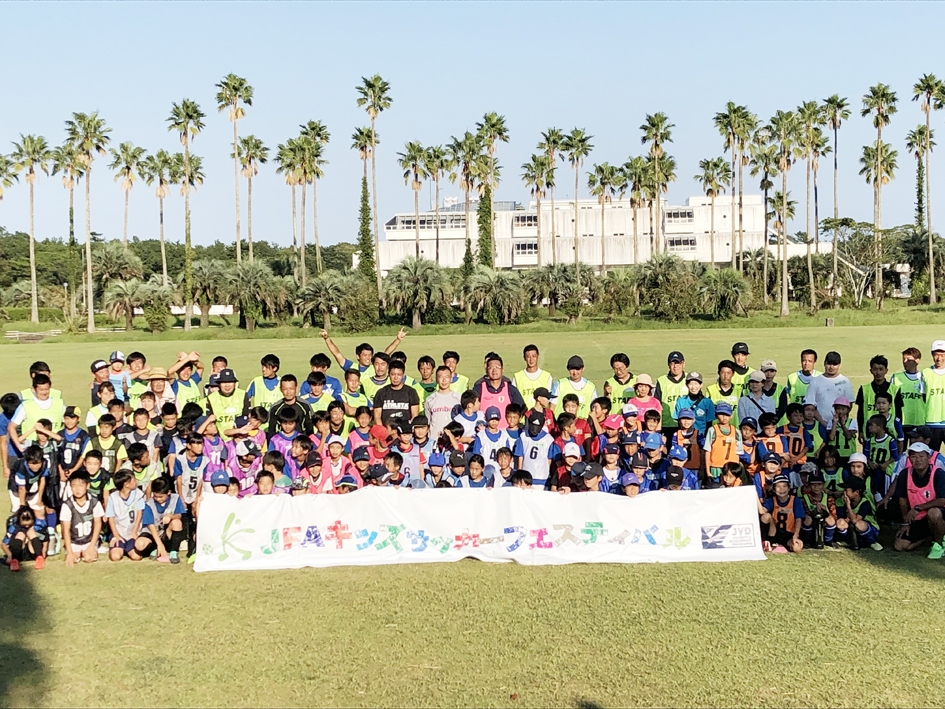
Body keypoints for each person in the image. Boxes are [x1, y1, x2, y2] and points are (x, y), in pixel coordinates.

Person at [893, 441, 945, 557]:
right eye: (913, 456)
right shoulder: (905, 474)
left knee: (934, 513)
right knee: (900, 546)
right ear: (909, 459)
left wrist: (918, 508)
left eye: (921, 456)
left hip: (938, 513)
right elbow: (902, 499)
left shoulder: (939, 474)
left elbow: (942, 500)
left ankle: (939, 545)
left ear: (929, 458)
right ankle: (930, 536)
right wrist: (905, 523)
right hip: (919, 517)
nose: (918, 459)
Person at [7, 373, 66, 451]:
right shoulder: (25, 406)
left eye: (47, 389)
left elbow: (68, 424)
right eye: (41, 390)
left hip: (55, 448)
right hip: (33, 449)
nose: (44, 392)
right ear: (34, 389)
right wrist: (20, 447)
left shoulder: (59, 404)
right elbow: (11, 427)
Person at [137, 476, 186, 563]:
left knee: (177, 523)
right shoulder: (148, 504)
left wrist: (171, 516)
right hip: (153, 533)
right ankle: (154, 548)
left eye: (161, 497)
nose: (158, 499)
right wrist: (160, 545)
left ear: (168, 492)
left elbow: (179, 515)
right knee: (139, 545)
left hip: (166, 533)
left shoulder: (176, 498)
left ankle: (173, 552)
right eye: (155, 496)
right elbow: (150, 525)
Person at [60, 470, 105, 566]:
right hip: (74, 541)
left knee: (89, 558)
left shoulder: (94, 502)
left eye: (80, 486)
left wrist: (92, 546)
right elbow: (66, 529)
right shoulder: (67, 505)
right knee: (74, 559)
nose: (77, 489)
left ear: (87, 486)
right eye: (74, 485)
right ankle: (74, 551)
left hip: (89, 540)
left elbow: (98, 523)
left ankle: (94, 546)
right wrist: (69, 551)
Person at [804, 351, 855, 429]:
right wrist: (823, 422)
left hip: (839, 425)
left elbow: (849, 404)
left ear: (839, 365)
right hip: (819, 425)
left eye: (834, 364)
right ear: (824, 363)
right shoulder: (815, 381)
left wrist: (839, 421)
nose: (831, 367)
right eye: (829, 364)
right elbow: (811, 404)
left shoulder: (845, 381)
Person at [472, 355, 525, 429]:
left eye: (497, 367)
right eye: (491, 367)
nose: (494, 370)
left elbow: (522, 408)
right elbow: (470, 409)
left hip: (506, 434)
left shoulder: (510, 389)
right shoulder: (479, 388)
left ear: (502, 370)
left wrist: (514, 425)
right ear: (487, 370)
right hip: (485, 434)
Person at [105, 470, 145, 562]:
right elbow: (111, 518)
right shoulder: (113, 497)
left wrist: (134, 532)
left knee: (136, 556)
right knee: (115, 557)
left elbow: (139, 513)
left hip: (133, 532)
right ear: (126, 484)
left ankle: (129, 548)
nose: (136, 481)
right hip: (119, 532)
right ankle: (121, 547)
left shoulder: (138, 494)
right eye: (134, 480)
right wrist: (116, 535)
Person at [514, 411, 559, 489]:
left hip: (542, 478)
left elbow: (549, 460)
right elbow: (520, 457)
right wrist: (520, 475)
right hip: (526, 479)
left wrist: (546, 473)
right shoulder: (523, 437)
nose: (534, 430)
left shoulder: (548, 439)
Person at [760, 473, 805, 553]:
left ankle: (779, 545)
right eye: (778, 486)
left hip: (789, 533)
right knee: (766, 516)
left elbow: (798, 519)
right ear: (774, 489)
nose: (782, 489)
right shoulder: (771, 500)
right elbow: (762, 511)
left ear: (788, 488)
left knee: (797, 548)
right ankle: (767, 541)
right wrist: (756, 497)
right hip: (774, 532)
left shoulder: (795, 500)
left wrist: (796, 535)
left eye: (784, 486)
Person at [837, 476, 882, 551]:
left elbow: (855, 520)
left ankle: (872, 542)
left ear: (856, 492)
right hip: (855, 530)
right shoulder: (848, 501)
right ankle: (848, 541)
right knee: (840, 522)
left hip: (871, 530)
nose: (844, 492)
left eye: (847, 490)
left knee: (859, 524)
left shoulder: (865, 503)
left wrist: (848, 506)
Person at [703, 403, 742, 486]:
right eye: (721, 414)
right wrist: (708, 471)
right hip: (716, 468)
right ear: (716, 415)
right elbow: (707, 451)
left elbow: (737, 453)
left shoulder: (737, 432)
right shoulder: (712, 430)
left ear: (731, 416)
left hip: (731, 469)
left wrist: (736, 471)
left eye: (727, 414)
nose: (724, 417)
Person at [373, 360, 420, 426]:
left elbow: (414, 416)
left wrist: (406, 431)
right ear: (389, 374)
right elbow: (377, 417)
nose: (395, 378)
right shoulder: (381, 393)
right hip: (386, 432)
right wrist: (383, 433)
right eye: (393, 374)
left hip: (405, 433)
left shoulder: (411, 392)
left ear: (403, 375)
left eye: (399, 375)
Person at [205, 369, 248, 440]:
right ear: (219, 384)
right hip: (219, 441)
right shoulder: (211, 398)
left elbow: (247, 418)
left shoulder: (243, 395)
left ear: (235, 383)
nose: (227, 385)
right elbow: (210, 423)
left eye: (230, 382)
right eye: (224, 382)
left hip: (240, 440)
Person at [892, 347, 926, 438]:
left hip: (919, 422)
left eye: (908, 359)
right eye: (903, 359)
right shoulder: (896, 377)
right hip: (901, 422)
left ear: (917, 361)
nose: (905, 362)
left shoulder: (924, 377)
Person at [2, 506, 47, 571]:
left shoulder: (38, 525)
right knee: (21, 534)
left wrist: (44, 551)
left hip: (32, 551)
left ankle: (39, 558)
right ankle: (14, 561)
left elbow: (45, 539)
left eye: (29, 524)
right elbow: (3, 544)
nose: (27, 526)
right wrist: (9, 555)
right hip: (19, 553)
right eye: (24, 525)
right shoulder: (14, 527)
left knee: (30, 532)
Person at [655, 350, 687, 437]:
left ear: (683, 364)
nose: (675, 366)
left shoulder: (690, 379)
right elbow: (656, 405)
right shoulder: (661, 381)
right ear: (668, 364)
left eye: (678, 363)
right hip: (666, 425)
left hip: (686, 425)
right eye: (672, 363)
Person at [512, 344, 555, 409]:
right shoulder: (517, 377)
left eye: (534, 356)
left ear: (538, 356)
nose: (531, 360)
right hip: (523, 417)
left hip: (541, 417)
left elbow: (550, 401)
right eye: (528, 357)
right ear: (524, 358)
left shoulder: (547, 377)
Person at [704, 359, 740, 426]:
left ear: (733, 374)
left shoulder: (740, 391)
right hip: (715, 432)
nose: (726, 376)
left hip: (735, 432)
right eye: (723, 373)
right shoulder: (710, 390)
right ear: (719, 373)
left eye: (728, 373)